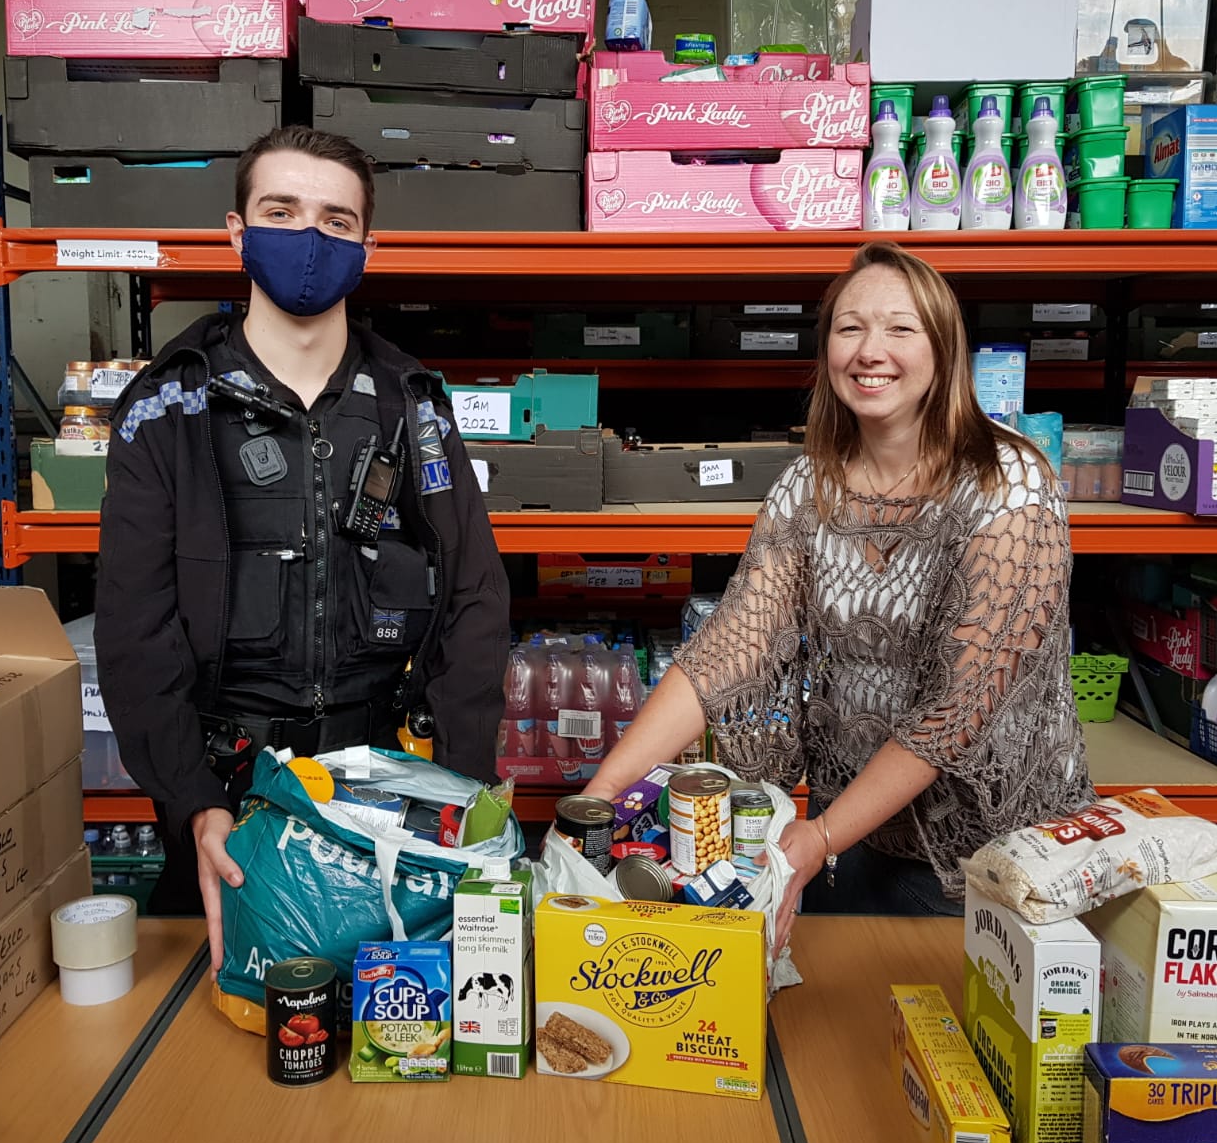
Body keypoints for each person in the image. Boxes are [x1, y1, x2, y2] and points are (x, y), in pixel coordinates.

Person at [583, 241, 1093, 944]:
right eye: (849, 328)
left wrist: (819, 836)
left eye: (900, 329)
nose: (869, 351)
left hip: (991, 865)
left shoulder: (1009, 488)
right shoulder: (808, 486)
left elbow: (960, 708)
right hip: (850, 835)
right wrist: (601, 794)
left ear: (944, 349)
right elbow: (732, 646)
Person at [96, 127, 510, 973]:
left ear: (369, 244)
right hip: (231, 807)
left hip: (386, 800)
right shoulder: (167, 406)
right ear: (237, 231)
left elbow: (475, 596)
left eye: (337, 220)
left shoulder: (412, 403)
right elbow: (135, 629)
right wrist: (190, 804)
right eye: (281, 211)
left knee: (396, 1039)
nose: (310, 239)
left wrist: (462, 790)